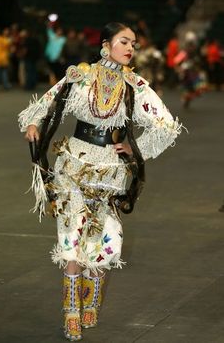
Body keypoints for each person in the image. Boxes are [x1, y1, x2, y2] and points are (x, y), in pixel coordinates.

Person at [18, 22, 182, 341]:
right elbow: (50, 102)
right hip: (75, 161)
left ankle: (91, 299)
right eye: (124, 41)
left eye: (134, 43)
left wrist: (135, 147)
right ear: (106, 45)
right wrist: (35, 123)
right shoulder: (82, 75)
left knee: (105, 236)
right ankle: (71, 311)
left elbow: (165, 125)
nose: (131, 48)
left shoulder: (135, 84)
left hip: (109, 168)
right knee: (71, 234)